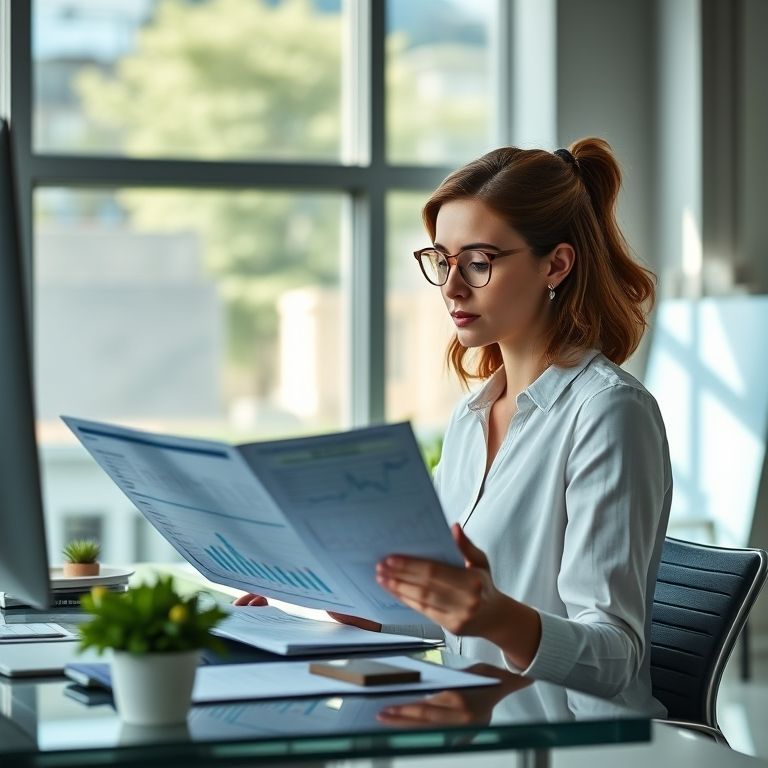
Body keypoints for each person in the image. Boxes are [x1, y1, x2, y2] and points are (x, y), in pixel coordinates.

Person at [237, 137, 672, 715]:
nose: (451, 287)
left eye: (478, 262)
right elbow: (454, 626)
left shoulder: (609, 413)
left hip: (575, 751)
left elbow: (615, 657)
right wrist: (352, 607)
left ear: (556, 264)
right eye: (443, 260)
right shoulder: (471, 419)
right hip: (474, 735)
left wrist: (498, 617)